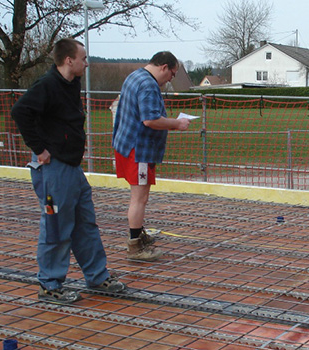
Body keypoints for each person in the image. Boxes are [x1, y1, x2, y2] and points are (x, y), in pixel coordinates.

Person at [11, 38, 126, 304]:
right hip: (53, 169)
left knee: (85, 223)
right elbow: (20, 111)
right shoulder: (47, 85)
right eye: (83, 58)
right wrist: (39, 149)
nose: (87, 63)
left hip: (72, 168)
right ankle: (50, 285)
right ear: (68, 60)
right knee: (56, 226)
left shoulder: (70, 84)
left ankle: (97, 276)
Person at [112, 51, 190, 261]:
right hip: (140, 150)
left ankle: (137, 234)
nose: (170, 80)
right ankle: (135, 246)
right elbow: (150, 120)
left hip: (127, 145)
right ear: (164, 67)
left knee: (138, 197)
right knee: (140, 198)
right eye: (172, 74)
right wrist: (177, 123)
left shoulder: (135, 76)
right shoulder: (148, 85)